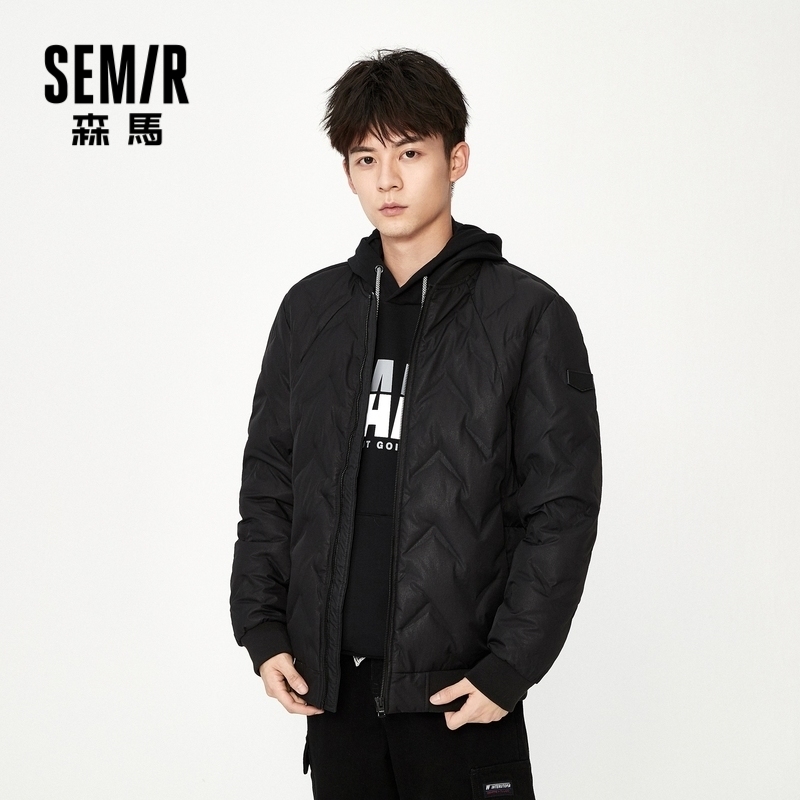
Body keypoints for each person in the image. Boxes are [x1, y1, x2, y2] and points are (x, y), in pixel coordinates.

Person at [230, 48, 601, 799]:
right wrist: (262, 630)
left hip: (459, 696)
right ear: (347, 172)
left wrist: (509, 667)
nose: (388, 180)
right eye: (366, 158)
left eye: (409, 153)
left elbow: (560, 509)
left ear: (455, 159)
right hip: (334, 693)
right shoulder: (311, 313)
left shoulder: (527, 317)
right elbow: (270, 483)